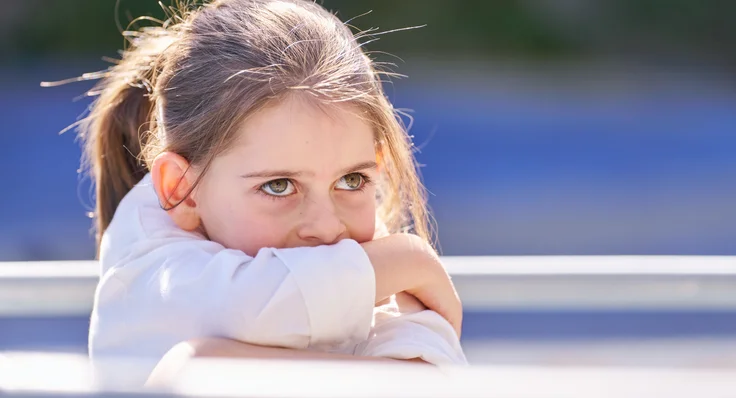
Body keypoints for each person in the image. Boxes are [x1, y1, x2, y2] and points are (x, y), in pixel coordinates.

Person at [47, 0, 466, 385]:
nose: (325, 226)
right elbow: (253, 307)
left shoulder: (364, 260)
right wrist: (409, 260)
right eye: (278, 186)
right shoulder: (151, 265)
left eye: (351, 181)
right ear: (182, 190)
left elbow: (431, 369)